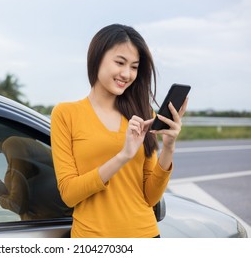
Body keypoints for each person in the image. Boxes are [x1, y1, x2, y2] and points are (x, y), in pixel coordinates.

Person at [50, 24, 188, 238]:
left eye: (134, 67)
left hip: (145, 235)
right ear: (97, 58)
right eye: (120, 62)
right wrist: (123, 156)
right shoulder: (66, 114)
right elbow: (69, 194)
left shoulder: (142, 113)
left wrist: (168, 148)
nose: (127, 73)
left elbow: (151, 197)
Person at [0, 122, 70, 221]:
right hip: (55, 224)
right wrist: (5, 192)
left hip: (50, 226)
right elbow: (35, 193)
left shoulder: (13, 143)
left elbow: (18, 205)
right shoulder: (33, 147)